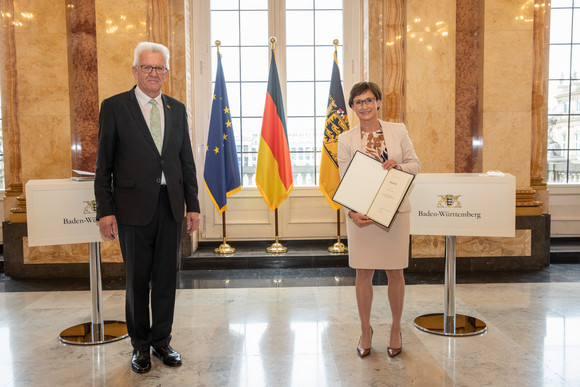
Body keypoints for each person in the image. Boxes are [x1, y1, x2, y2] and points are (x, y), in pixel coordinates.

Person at [94, 42, 200, 373]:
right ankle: (139, 346)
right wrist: (105, 209)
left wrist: (193, 205)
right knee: (137, 281)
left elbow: (186, 161)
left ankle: (161, 341)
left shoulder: (176, 108)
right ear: (135, 70)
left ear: (167, 73)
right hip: (131, 209)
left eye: (159, 68)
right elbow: (103, 165)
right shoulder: (114, 107)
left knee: (166, 279)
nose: (153, 74)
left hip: (170, 207)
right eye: (147, 67)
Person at [337, 81, 420, 358]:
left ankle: (396, 329)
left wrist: (398, 165)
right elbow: (345, 181)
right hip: (361, 216)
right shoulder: (346, 139)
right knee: (363, 274)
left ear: (378, 102)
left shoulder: (398, 131)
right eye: (358, 102)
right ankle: (365, 330)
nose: (365, 106)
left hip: (394, 212)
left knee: (396, 272)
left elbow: (414, 164)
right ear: (353, 107)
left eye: (369, 100)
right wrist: (351, 212)